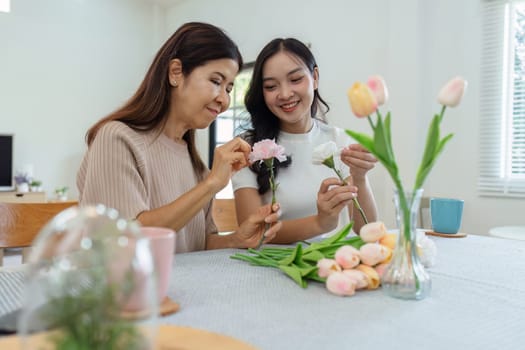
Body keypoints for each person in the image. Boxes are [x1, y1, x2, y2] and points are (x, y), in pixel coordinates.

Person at [77, 22, 281, 253]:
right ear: (176, 73)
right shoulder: (116, 139)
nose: (224, 100)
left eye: (229, 88)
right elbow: (127, 240)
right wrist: (211, 184)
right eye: (216, 81)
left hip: (179, 288)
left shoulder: (195, 164)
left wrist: (237, 240)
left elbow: (198, 245)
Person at [232, 38, 377, 243]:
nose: (284, 94)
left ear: (315, 77)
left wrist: (360, 177)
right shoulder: (248, 147)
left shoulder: (338, 140)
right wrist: (319, 223)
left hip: (331, 266)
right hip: (270, 268)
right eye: (271, 86)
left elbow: (367, 230)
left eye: (295, 79)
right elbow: (253, 232)